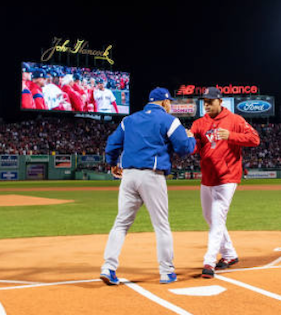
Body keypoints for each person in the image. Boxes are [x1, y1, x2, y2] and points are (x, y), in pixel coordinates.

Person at [100, 87, 195, 285]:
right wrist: (191, 138)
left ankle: (108, 268)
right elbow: (184, 148)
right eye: (170, 102)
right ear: (165, 102)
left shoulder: (129, 120)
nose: (171, 106)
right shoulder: (169, 120)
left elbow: (112, 144)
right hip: (151, 176)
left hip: (128, 176)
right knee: (161, 225)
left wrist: (112, 163)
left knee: (121, 224)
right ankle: (166, 271)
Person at [190, 86, 260, 279]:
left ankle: (209, 262)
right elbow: (194, 149)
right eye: (204, 102)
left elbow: (255, 139)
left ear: (220, 101)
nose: (206, 105)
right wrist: (186, 141)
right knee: (210, 218)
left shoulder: (235, 120)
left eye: (210, 102)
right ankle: (229, 254)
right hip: (207, 177)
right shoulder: (198, 124)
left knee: (217, 219)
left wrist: (232, 136)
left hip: (227, 177)